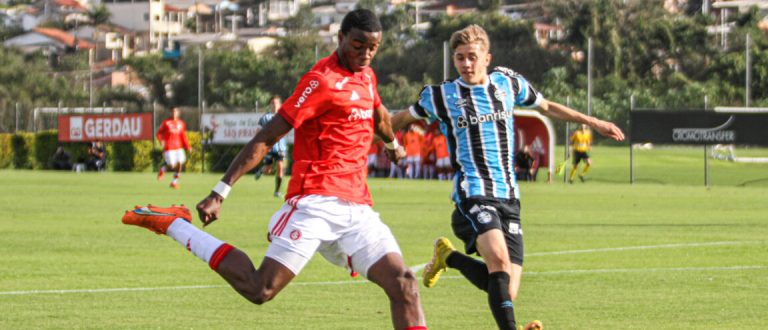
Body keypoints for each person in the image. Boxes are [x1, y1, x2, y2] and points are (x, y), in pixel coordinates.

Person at [122, 9, 427, 330]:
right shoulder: (320, 81)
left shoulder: (366, 75)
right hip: (315, 203)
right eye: (357, 45)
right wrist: (220, 191)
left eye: (372, 47)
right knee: (260, 289)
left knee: (404, 284)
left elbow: (378, 115)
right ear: (340, 38)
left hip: (358, 209)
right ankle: (175, 224)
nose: (365, 54)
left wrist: (392, 146)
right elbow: (267, 137)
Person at [391, 24, 624, 330]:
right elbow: (397, 119)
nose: (466, 64)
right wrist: (388, 142)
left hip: (509, 195)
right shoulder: (442, 96)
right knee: (499, 263)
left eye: (472, 57)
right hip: (472, 192)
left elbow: (548, 106)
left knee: (506, 290)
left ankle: (449, 257)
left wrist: (594, 122)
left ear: (487, 57)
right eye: (460, 58)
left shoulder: (507, 83)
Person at [253, 95, 289, 197]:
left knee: (280, 167)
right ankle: (261, 170)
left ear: (280, 105)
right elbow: (259, 131)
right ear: (269, 105)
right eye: (272, 103)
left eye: (276, 103)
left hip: (280, 147)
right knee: (268, 170)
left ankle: (277, 191)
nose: (274, 105)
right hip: (269, 147)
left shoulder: (283, 117)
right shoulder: (265, 118)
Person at [156, 107, 191, 189]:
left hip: (179, 147)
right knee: (172, 165)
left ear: (178, 113)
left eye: (175, 112)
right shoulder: (166, 123)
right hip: (169, 147)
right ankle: (163, 169)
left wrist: (188, 146)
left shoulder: (181, 123)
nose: (174, 113)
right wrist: (161, 140)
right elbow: (159, 133)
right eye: (172, 112)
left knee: (180, 164)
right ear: (170, 113)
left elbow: (183, 136)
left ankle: (174, 182)